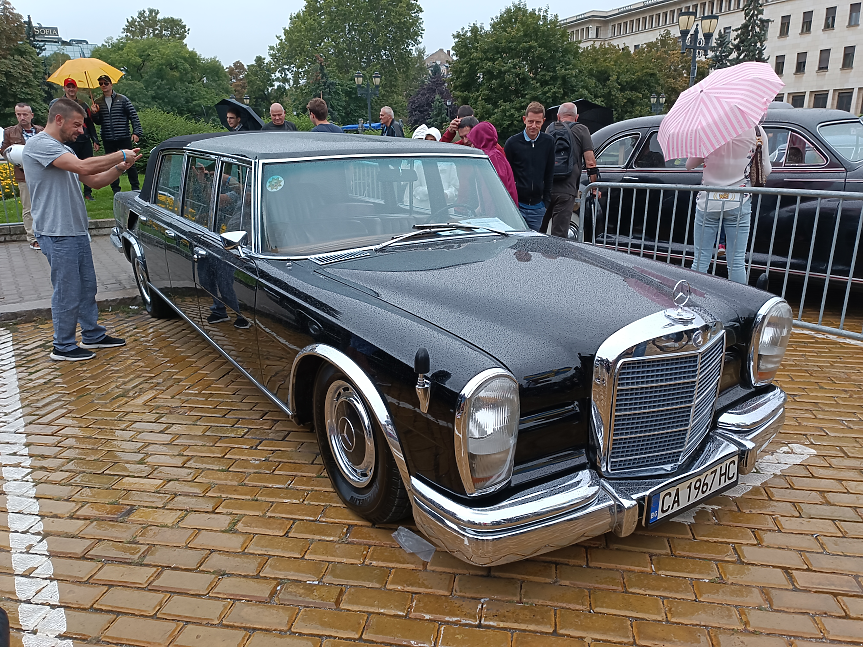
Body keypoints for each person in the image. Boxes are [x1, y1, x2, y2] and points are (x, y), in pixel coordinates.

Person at [22, 98, 140, 361]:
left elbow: (95, 181)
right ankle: (62, 346)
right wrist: (120, 153)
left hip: (74, 229)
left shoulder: (64, 150)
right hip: (56, 231)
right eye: (77, 124)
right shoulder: (40, 145)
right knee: (67, 290)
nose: (81, 130)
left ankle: (92, 334)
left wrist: (120, 167)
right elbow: (84, 167)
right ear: (59, 119)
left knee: (86, 287)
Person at [686, 121, 771, 284]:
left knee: (700, 260)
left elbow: (689, 165)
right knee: (736, 262)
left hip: (708, 201)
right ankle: (738, 305)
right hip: (739, 200)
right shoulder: (756, 131)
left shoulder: (707, 130)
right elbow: (766, 170)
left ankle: (694, 303)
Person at [542, 102, 598, 237]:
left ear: (558, 116)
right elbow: (590, 162)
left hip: (547, 188)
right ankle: (557, 257)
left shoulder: (550, 129)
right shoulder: (582, 129)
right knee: (559, 234)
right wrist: (594, 187)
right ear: (576, 117)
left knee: (539, 230)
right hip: (567, 190)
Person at [504, 102, 555, 231]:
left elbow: (549, 172)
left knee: (535, 245)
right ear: (524, 119)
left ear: (543, 121)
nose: (533, 126)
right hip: (517, 204)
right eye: (530, 121)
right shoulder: (512, 143)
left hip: (538, 206)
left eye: (537, 122)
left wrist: (546, 201)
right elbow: (506, 174)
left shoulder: (548, 142)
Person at [50, 78, 101, 201]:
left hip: (84, 139)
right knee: (71, 168)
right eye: (69, 87)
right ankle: (73, 192)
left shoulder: (83, 104)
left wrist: (95, 139)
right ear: (64, 88)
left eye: (73, 87)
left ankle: (88, 193)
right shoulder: (60, 104)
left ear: (76, 88)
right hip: (69, 141)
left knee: (88, 165)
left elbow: (90, 123)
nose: (71, 89)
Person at [90, 75, 142, 193]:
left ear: (111, 84)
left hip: (123, 135)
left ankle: (135, 188)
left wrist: (136, 132)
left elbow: (133, 116)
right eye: (101, 83)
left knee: (130, 162)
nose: (103, 85)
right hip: (108, 137)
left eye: (106, 83)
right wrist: (94, 113)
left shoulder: (122, 99)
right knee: (111, 164)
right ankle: (115, 190)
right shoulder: (98, 102)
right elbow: (98, 122)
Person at [1, 103, 43, 249]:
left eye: (25, 114)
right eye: (18, 114)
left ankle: (46, 234)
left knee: (45, 205)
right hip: (23, 175)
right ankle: (33, 238)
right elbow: (4, 150)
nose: (22, 117)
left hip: (43, 174)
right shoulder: (9, 132)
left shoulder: (41, 130)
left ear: (31, 115)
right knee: (28, 208)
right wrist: (15, 158)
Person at [470, 122, 518, 204]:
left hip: (500, 211)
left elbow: (494, 192)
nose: (471, 145)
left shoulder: (491, 158)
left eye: (474, 141)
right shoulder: (494, 154)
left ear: (480, 139)